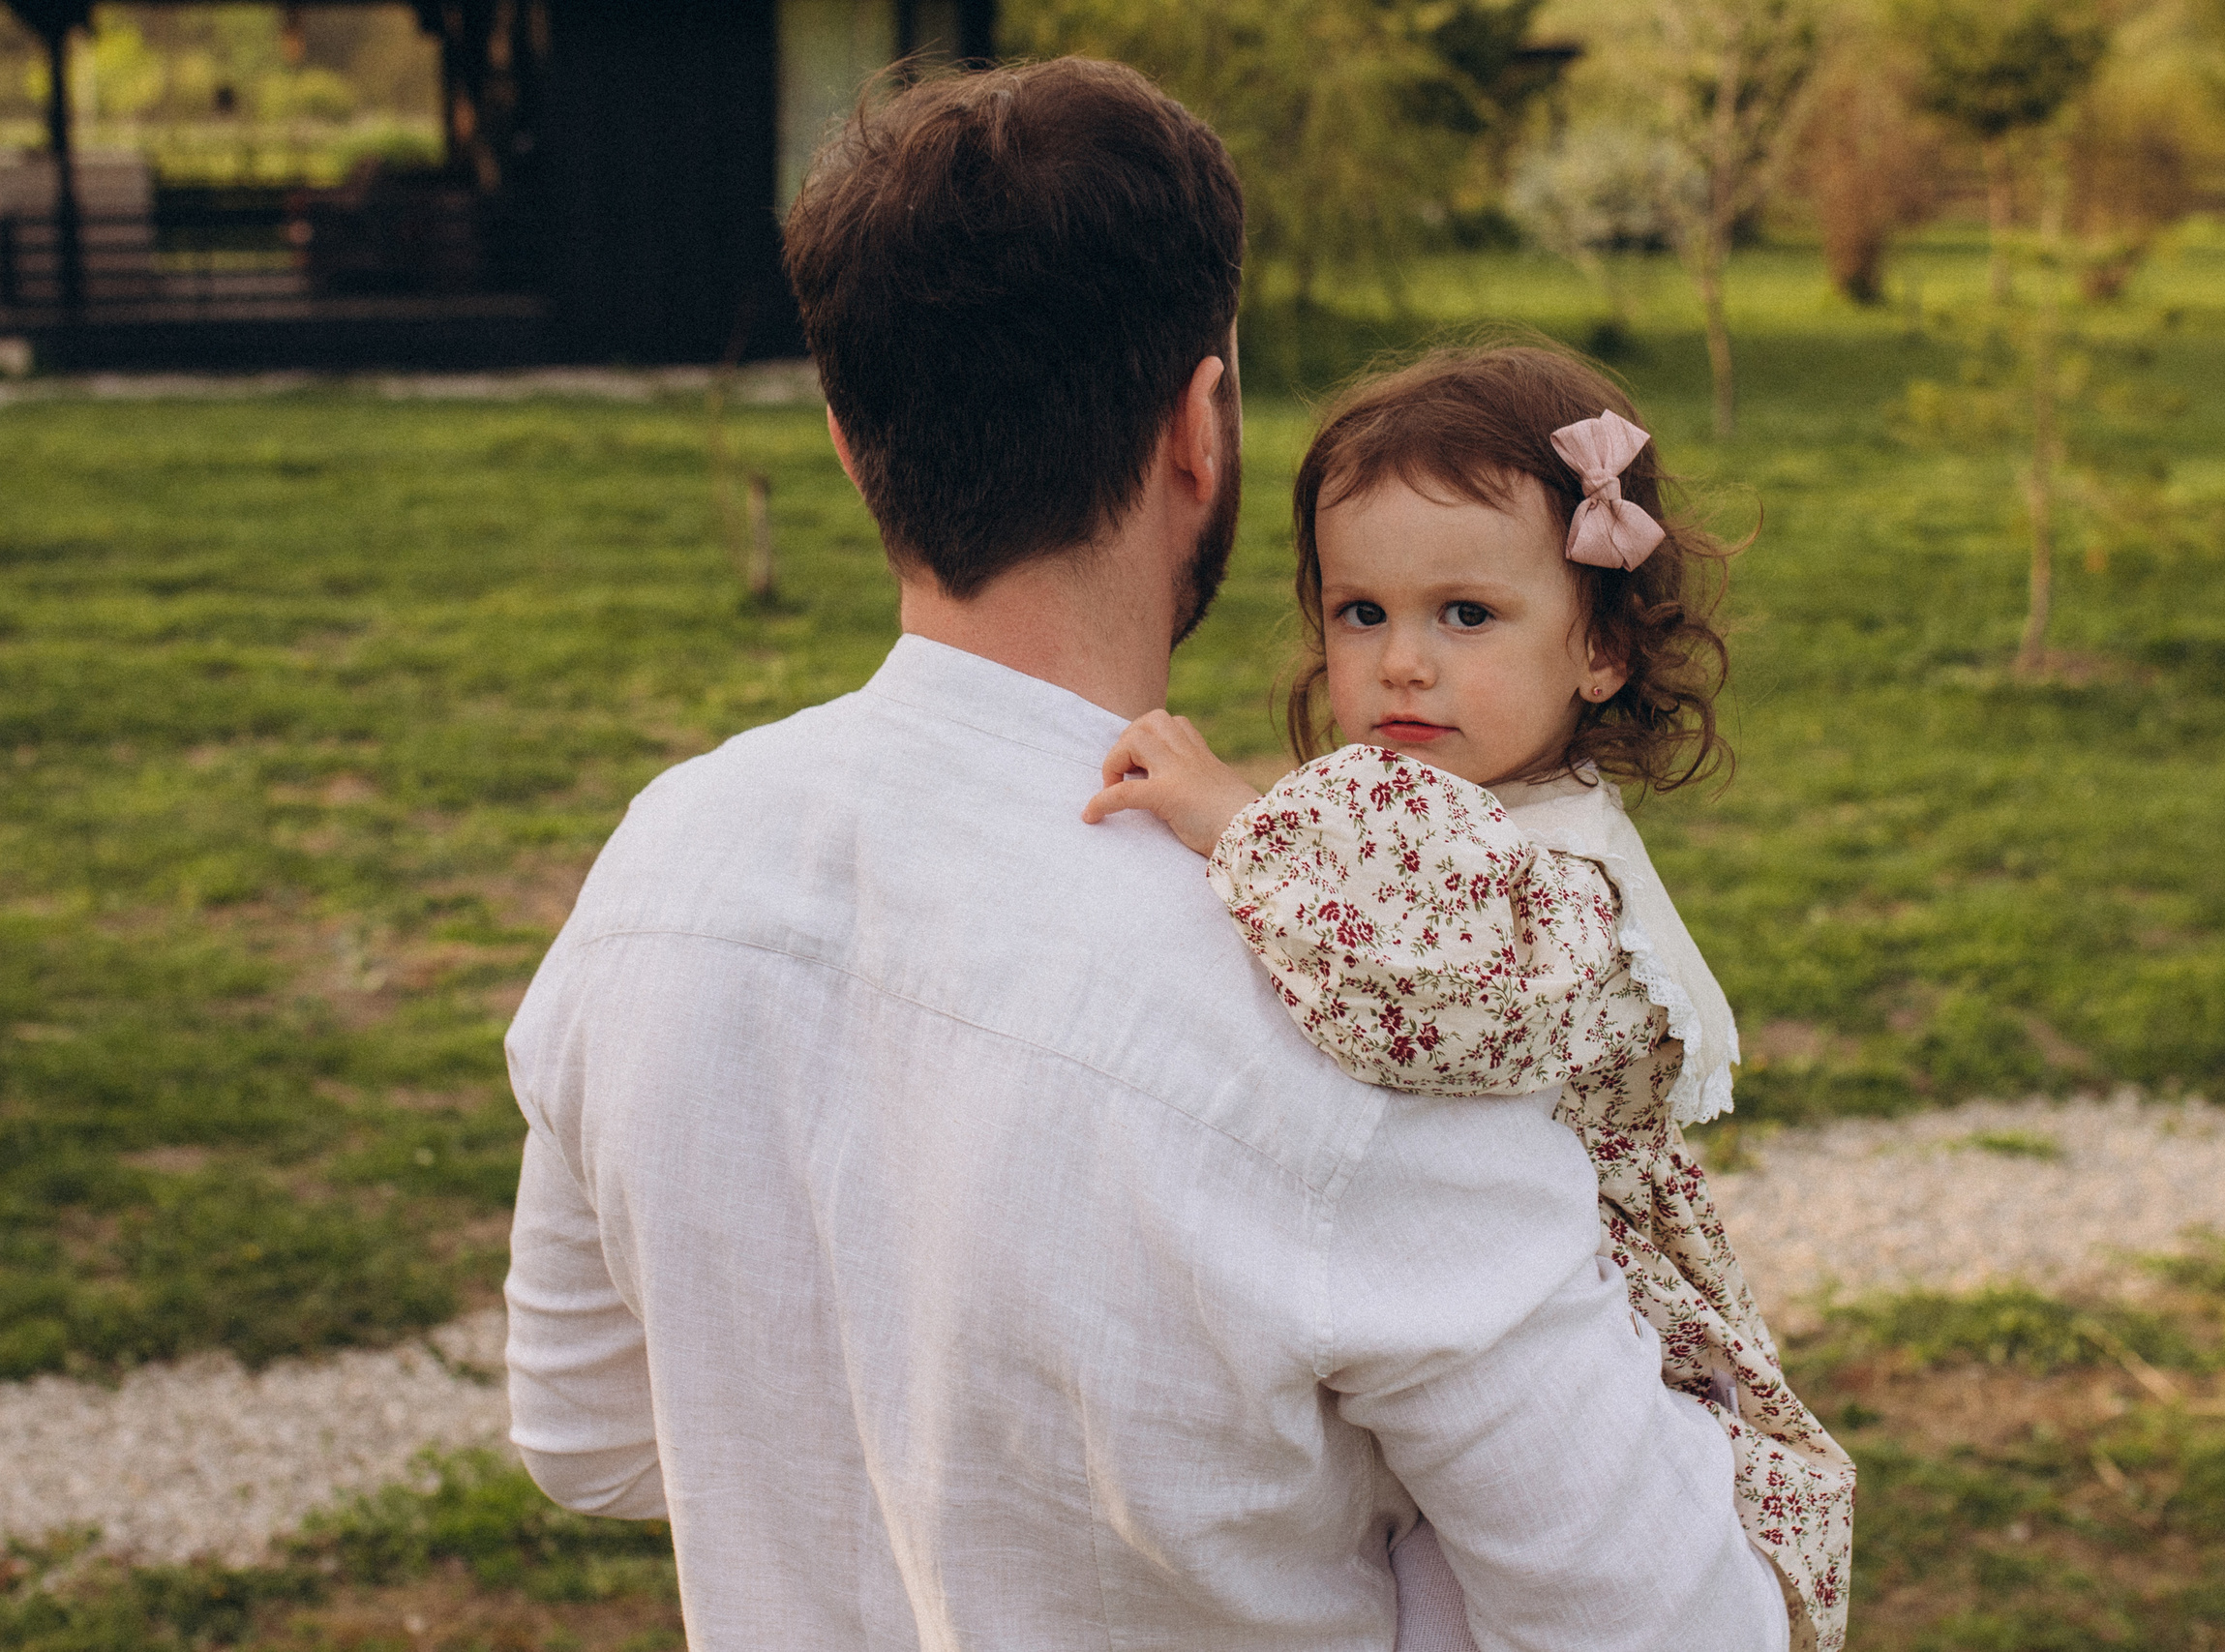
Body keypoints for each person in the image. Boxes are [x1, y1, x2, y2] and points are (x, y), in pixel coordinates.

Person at [500, 58, 1789, 1652]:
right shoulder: (1358, 998)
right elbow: (1679, 1624)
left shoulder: (663, 865)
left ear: (847, 444)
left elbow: (590, 1440)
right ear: (1200, 429)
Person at [1085, 345, 1855, 1652]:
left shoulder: (1559, 871)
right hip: (1445, 1307)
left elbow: (1435, 1005)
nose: (1401, 663)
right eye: (1360, 613)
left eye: (1466, 615)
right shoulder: (1445, 818)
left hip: (1570, 1339)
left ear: (1600, 647)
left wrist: (1239, 828)